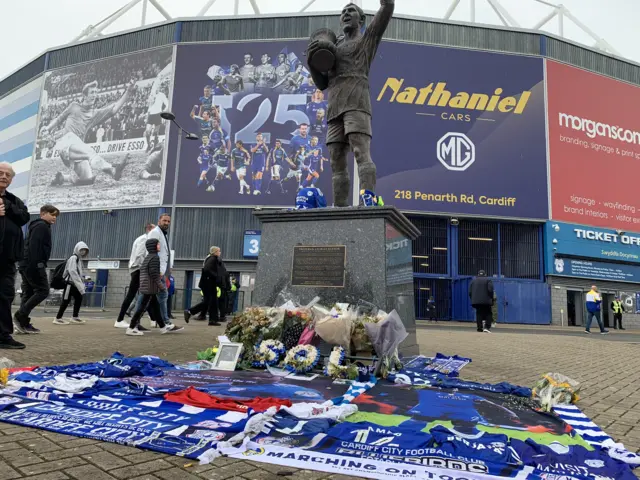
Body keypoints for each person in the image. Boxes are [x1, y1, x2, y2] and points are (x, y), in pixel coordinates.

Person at [306, 0, 394, 206]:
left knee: (360, 152)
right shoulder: (333, 48)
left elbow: (387, 8)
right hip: (334, 108)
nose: (346, 14)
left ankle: (367, 203)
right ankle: (340, 209)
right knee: (336, 160)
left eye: (351, 11)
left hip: (357, 103)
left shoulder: (367, 40)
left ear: (361, 19)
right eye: (343, 11)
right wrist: (312, 63)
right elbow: (321, 84)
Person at [43, 80, 133, 187]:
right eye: (92, 92)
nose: (94, 95)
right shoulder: (74, 106)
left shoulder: (94, 114)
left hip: (76, 148)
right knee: (89, 152)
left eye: (95, 92)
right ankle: (113, 169)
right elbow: (58, 119)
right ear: (84, 95)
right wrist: (48, 128)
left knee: (87, 179)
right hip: (65, 143)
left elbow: (114, 109)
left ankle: (62, 177)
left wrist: (128, 92)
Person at [14, 204, 60, 334]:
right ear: (43, 213)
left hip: (26, 264)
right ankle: (19, 315)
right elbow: (34, 246)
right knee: (43, 290)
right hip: (33, 264)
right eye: (52, 214)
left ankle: (22, 323)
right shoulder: (41, 226)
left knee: (28, 293)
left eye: (56, 216)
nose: (54, 218)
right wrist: (37, 264)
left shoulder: (38, 226)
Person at [0, 162, 30, 349]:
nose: (4, 177)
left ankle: (3, 336)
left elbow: (24, 217)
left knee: (5, 295)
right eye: (1, 173)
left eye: (8, 175)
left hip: (7, 258)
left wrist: (8, 206)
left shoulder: (14, 200)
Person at [127, 238, 182, 336]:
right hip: (150, 287)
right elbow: (154, 274)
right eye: (158, 244)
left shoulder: (148, 257)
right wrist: (161, 286)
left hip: (147, 287)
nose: (159, 246)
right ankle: (131, 327)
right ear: (153, 246)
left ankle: (162, 327)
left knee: (156, 307)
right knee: (141, 308)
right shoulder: (155, 258)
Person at [115, 223, 155, 329]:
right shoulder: (144, 239)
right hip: (138, 269)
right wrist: (145, 269)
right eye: (154, 229)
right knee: (135, 295)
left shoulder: (144, 239)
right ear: (149, 229)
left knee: (144, 295)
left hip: (138, 269)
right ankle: (121, 320)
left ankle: (152, 320)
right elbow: (139, 255)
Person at [184, 246, 227, 326]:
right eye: (219, 251)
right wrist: (216, 276)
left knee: (212, 302)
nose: (220, 253)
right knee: (210, 301)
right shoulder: (212, 259)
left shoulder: (212, 259)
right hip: (208, 284)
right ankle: (190, 311)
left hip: (208, 284)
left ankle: (212, 320)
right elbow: (207, 269)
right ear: (215, 252)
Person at [147, 214, 174, 327]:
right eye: (164, 221)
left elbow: (164, 253)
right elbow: (150, 250)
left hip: (160, 270)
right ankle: (165, 321)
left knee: (151, 297)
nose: (166, 223)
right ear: (159, 221)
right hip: (156, 270)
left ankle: (162, 321)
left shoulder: (163, 234)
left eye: (168, 221)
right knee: (160, 295)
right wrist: (156, 270)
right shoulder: (155, 232)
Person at [54, 241, 89, 325]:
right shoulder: (74, 258)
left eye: (84, 250)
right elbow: (72, 271)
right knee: (66, 300)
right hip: (70, 284)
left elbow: (76, 272)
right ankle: (58, 318)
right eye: (81, 250)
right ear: (77, 249)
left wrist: (81, 280)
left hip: (74, 284)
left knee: (78, 299)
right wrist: (80, 284)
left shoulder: (78, 259)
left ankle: (75, 317)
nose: (83, 252)